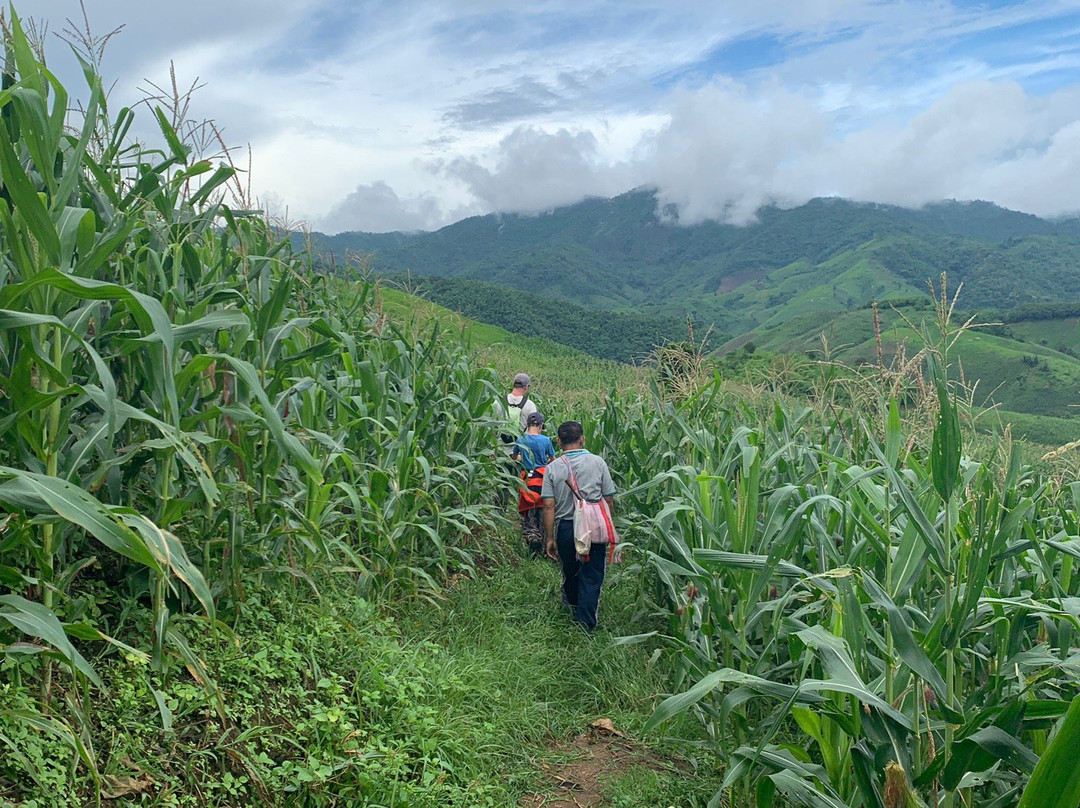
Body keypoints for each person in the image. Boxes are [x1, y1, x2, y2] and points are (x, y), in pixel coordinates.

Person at [541, 421, 616, 631]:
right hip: (594, 527)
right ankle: (585, 623)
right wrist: (610, 525)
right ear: (582, 438)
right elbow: (608, 498)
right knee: (592, 573)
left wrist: (549, 537)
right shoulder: (598, 462)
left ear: (558, 441)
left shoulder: (553, 468)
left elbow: (548, 505)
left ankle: (573, 606)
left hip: (566, 527)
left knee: (571, 570)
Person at [512, 411, 556, 556]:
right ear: (541, 425)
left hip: (527, 480)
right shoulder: (546, 440)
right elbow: (552, 459)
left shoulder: (521, 439)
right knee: (543, 510)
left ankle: (531, 536)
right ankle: (544, 547)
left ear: (527, 425)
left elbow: (514, 457)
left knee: (529, 510)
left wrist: (522, 458)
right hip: (542, 479)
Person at [495, 373, 539, 507]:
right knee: (521, 480)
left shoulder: (498, 402)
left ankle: (500, 507)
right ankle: (521, 509)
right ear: (526, 387)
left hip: (500, 448)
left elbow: (492, 426)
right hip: (520, 451)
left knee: (502, 480)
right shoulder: (530, 406)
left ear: (513, 384)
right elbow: (533, 432)